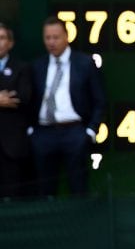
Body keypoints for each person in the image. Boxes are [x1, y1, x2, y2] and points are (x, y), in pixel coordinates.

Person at [30, 17, 106, 197]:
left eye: (56, 37)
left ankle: (80, 223)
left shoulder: (85, 63)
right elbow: (29, 99)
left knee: (77, 186)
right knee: (44, 188)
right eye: (47, 38)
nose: (51, 42)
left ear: (67, 37)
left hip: (74, 132)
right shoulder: (37, 66)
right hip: (43, 133)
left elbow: (100, 101)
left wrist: (89, 132)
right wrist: (31, 131)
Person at [0, 23, 33, 198]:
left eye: (1, 38)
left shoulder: (22, 68)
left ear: (10, 43)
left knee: (12, 194)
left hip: (11, 145)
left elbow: (22, 97)